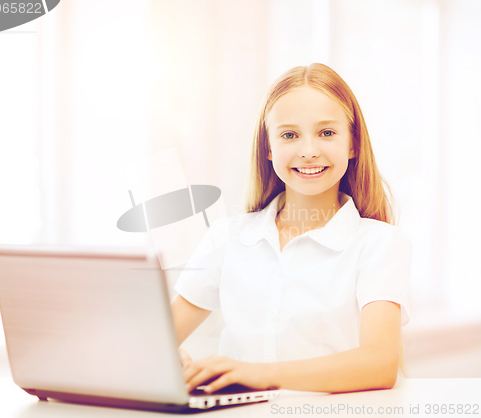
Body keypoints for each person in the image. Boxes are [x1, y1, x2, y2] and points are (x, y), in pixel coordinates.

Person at [170, 63, 412, 394]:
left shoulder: (379, 244)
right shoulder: (227, 238)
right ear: (268, 148)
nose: (309, 151)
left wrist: (258, 374)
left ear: (353, 144)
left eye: (327, 133)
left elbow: (379, 364)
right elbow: (157, 339)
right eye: (289, 135)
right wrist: (172, 360)